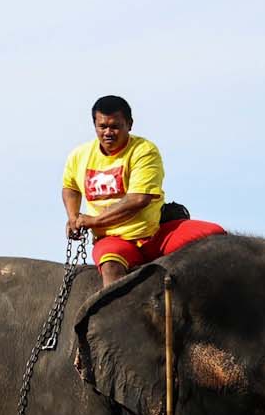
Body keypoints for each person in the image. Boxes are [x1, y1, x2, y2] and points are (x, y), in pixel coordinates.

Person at [61, 95, 224, 286]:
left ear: (129, 124)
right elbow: (70, 187)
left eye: (115, 126)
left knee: (216, 235)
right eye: (102, 126)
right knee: (111, 265)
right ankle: (116, 314)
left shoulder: (144, 151)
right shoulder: (79, 156)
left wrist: (93, 220)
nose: (108, 132)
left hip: (155, 235)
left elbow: (138, 199)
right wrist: (73, 217)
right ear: (94, 125)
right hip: (113, 239)